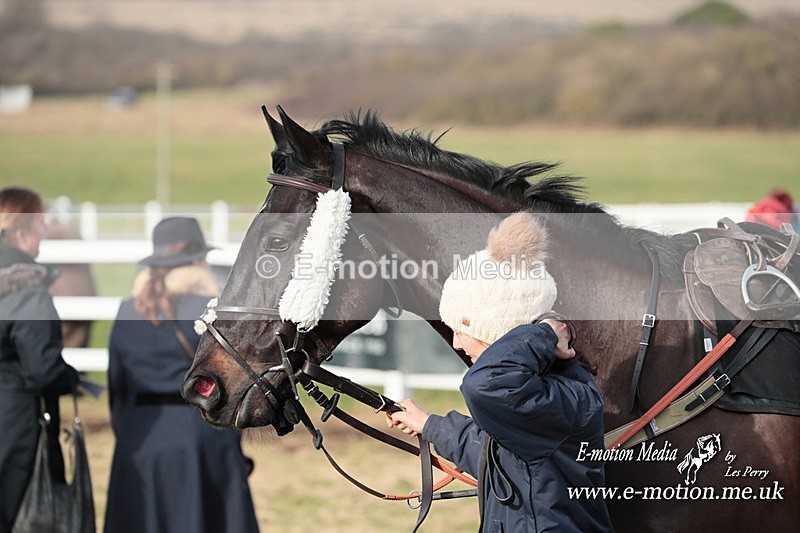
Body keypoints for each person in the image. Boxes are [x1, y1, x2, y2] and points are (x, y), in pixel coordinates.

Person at [386, 212, 613, 532]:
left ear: (501, 333)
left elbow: (485, 385)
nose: (456, 343)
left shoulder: (562, 395)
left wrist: (546, 332)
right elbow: (491, 450)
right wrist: (427, 424)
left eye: (464, 330)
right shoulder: (535, 393)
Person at [104, 217, 259, 533]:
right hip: (201, 436)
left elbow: (117, 383)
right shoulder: (212, 311)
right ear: (198, 259)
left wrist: (129, 432)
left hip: (140, 435)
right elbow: (235, 383)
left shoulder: (127, 310)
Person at [0, 186, 80, 533]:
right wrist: (71, 378)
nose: (43, 232)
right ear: (21, 232)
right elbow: (43, 370)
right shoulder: (24, 288)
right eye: (39, 225)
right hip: (14, 426)